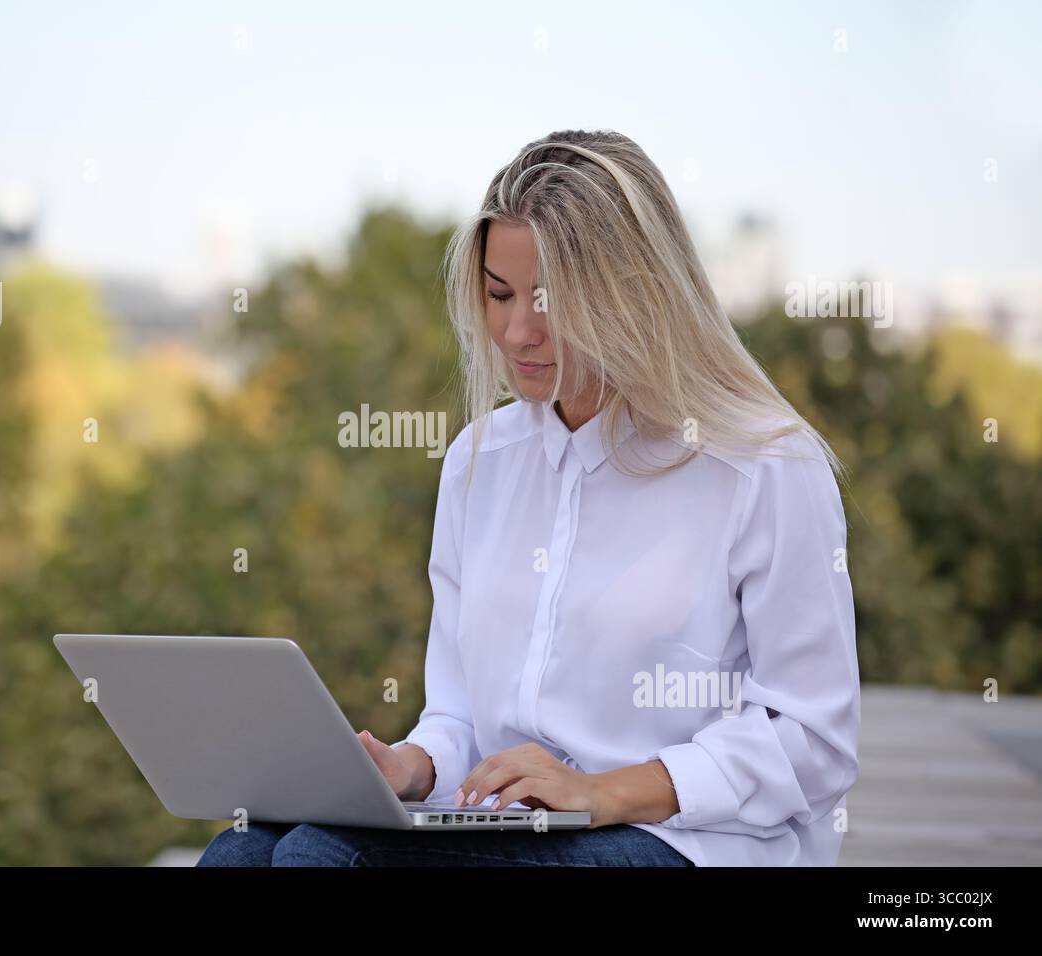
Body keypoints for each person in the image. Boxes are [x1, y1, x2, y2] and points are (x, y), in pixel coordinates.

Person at [198, 129, 859, 867]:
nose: (517, 332)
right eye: (498, 294)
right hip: (512, 830)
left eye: (550, 301)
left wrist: (607, 790)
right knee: (244, 849)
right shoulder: (481, 464)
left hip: (685, 842)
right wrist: (413, 769)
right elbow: (458, 716)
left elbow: (815, 741)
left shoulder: (764, 466)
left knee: (321, 860)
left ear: (635, 292)